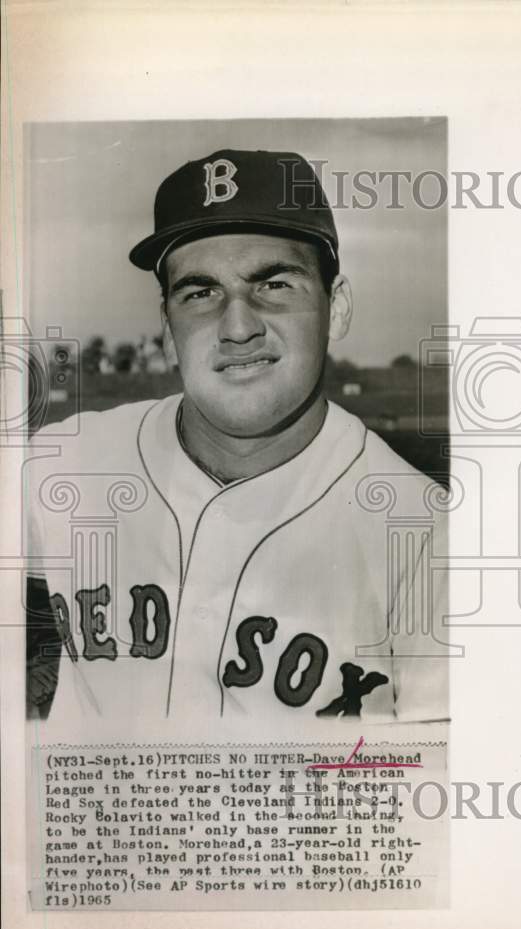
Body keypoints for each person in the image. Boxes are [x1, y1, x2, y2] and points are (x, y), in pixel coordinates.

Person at [24, 149, 449, 727]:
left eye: (274, 284)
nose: (238, 326)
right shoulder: (64, 462)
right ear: (169, 332)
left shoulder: (427, 537)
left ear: (337, 307)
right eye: (200, 293)